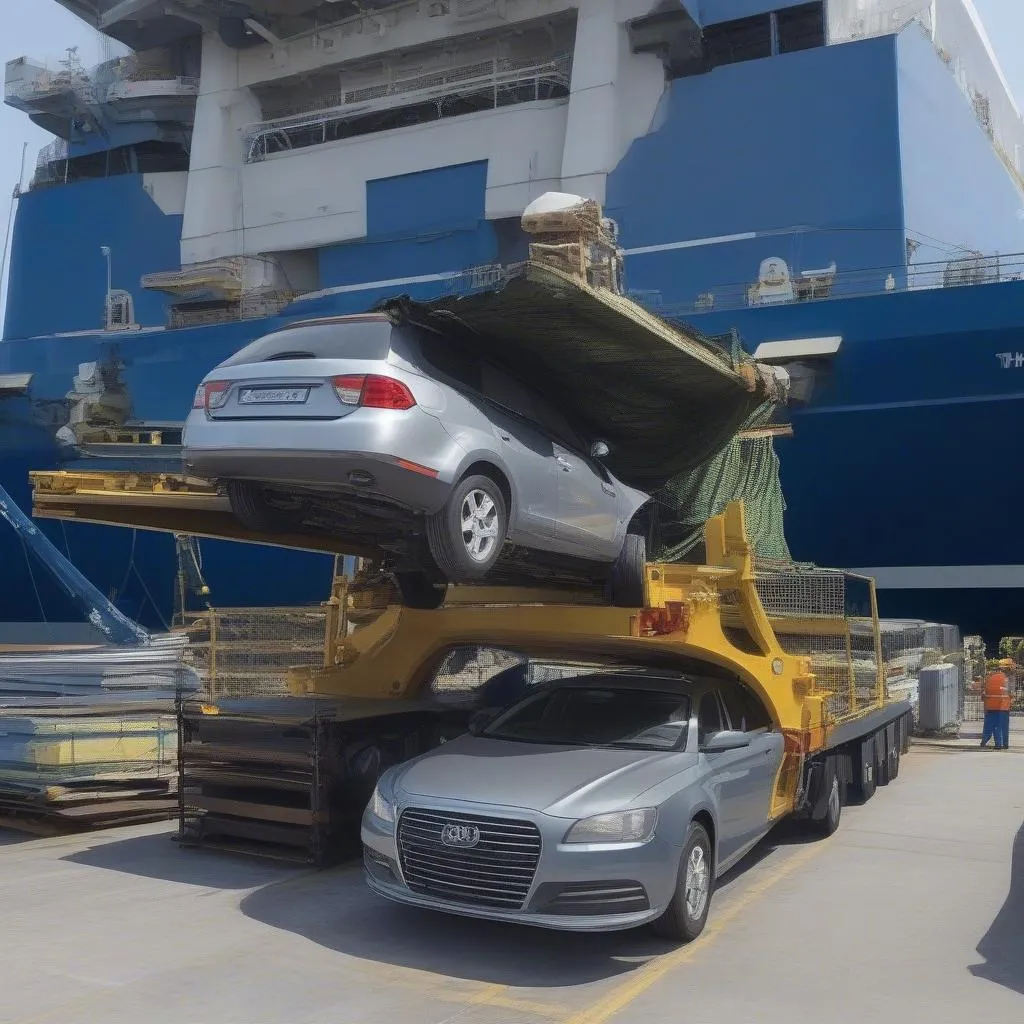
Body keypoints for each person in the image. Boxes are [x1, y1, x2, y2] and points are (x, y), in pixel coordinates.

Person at [981, 660, 1013, 749]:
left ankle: (990, 742)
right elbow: (1011, 693)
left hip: (990, 707)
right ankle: (1003, 744)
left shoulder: (989, 678)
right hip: (1003, 707)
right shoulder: (1006, 679)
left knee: (992, 726)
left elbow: (983, 694)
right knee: (1002, 727)